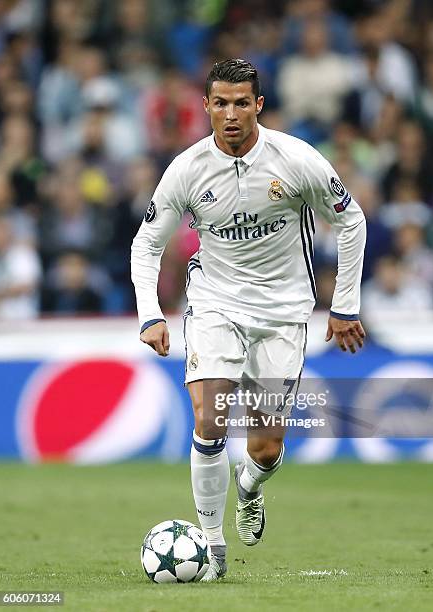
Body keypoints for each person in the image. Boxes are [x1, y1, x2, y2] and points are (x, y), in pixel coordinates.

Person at [131, 59, 366, 581]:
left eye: (242, 103)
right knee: (210, 418)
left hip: (283, 313)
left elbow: (350, 219)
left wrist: (345, 305)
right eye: (221, 103)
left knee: (265, 446)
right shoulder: (187, 169)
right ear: (207, 107)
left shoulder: (296, 158)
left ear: (258, 105)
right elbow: (147, 242)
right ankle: (213, 551)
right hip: (214, 302)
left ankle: (250, 488)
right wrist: (150, 313)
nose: (231, 114)